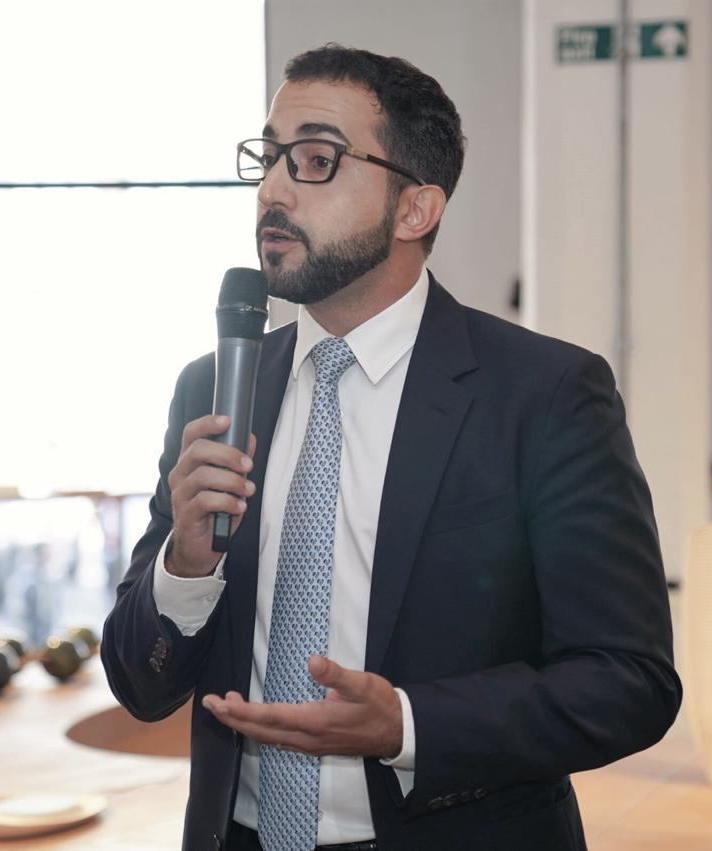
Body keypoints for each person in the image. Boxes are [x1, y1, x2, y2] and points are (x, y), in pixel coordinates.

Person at [101, 44, 680, 851]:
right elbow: (140, 682)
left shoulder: (543, 395)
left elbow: (629, 681)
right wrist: (186, 568)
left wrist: (407, 724)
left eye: (315, 160)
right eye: (267, 157)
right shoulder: (213, 388)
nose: (272, 190)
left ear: (416, 209)